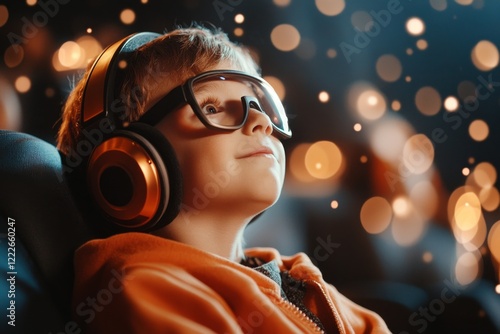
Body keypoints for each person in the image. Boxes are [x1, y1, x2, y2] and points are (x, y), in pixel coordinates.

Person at [57, 25, 390, 333]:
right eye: (212, 107)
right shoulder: (143, 285)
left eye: (257, 104)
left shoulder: (300, 279)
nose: (260, 120)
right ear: (128, 162)